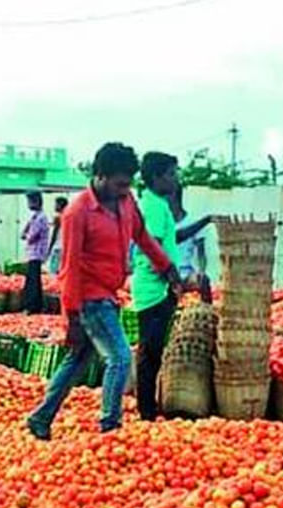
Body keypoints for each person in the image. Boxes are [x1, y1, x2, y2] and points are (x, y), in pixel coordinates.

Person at [26, 142, 182, 440]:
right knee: (121, 358)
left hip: (109, 293)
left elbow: (144, 238)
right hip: (88, 298)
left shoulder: (126, 203)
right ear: (100, 176)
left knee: (77, 361)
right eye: (120, 183)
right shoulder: (77, 213)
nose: (125, 190)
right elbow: (69, 268)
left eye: (128, 184)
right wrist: (70, 317)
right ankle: (111, 426)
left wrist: (167, 267)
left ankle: (40, 418)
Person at [130, 152, 211, 421]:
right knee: (150, 351)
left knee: (152, 349)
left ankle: (149, 405)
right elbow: (151, 246)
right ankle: (146, 410)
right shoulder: (153, 207)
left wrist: (204, 221)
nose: (176, 179)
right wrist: (173, 279)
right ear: (156, 177)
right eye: (171, 174)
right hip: (154, 290)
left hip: (157, 288)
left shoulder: (157, 204)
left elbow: (172, 238)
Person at [21, 191, 50, 314]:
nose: (28, 204)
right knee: (34, 280)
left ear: (36, 201)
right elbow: (24, 233)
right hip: (33, 253)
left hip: (36, 253)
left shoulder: (41, 218)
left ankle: (32, 306)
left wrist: (25, 234)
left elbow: (30, 237)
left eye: (29, 201)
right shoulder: (35, 217)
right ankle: (35, 305)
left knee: (33, 281)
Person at [47, 196, 68, 274]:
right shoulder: (68, 216)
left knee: (53, 270)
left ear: (60, 205)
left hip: (58, 247)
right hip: (65, 247)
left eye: (56, 204)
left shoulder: (58, 217)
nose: (54, 206)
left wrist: (49, 249)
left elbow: (54, 235)